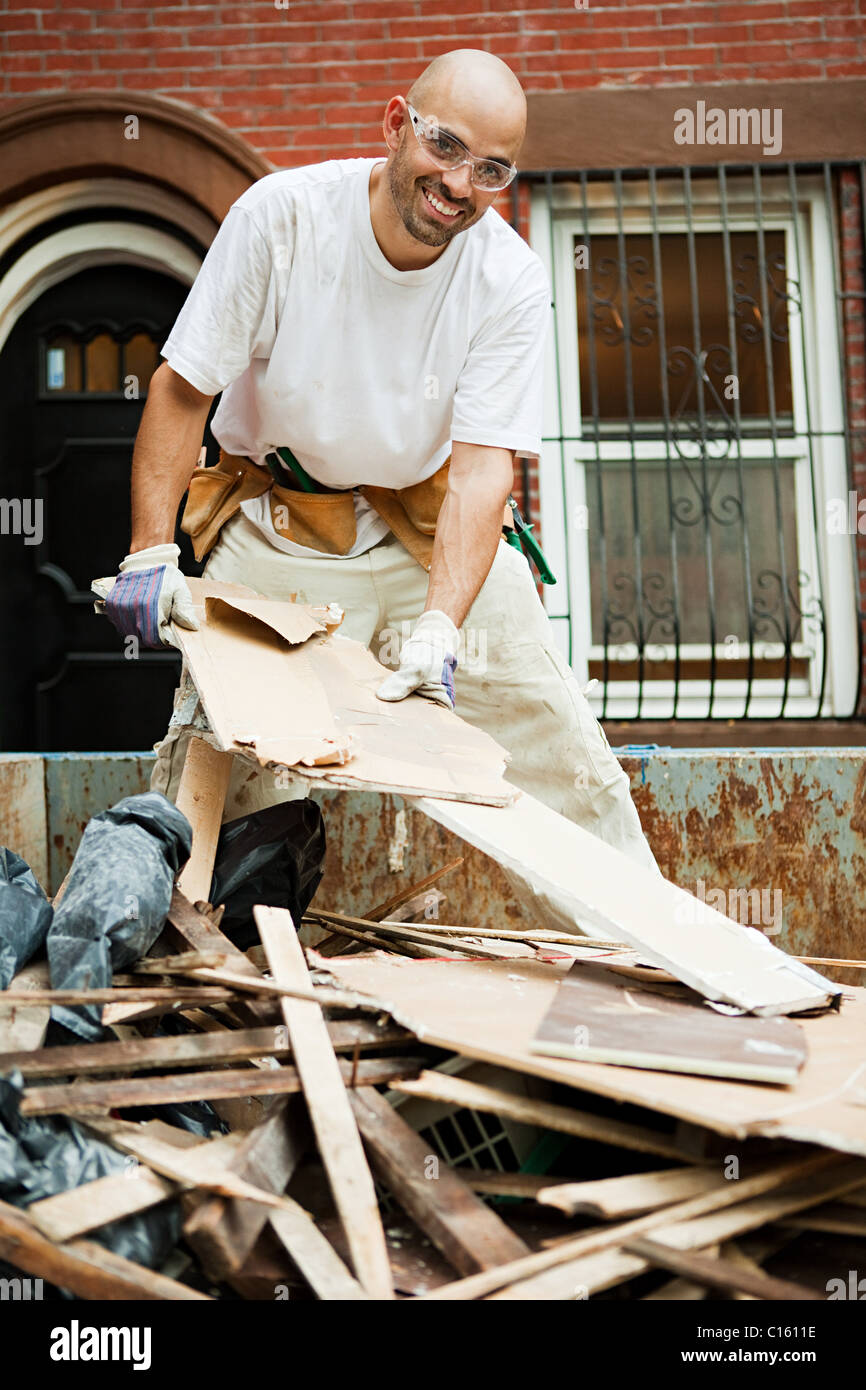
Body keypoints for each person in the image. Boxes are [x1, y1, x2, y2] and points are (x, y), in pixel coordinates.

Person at [104, 48, 659, 874]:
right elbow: (185, 392)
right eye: (445, 145)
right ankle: (190, 935)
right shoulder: (282, 220)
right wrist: (152, 551)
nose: (462, 184)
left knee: (564, 752)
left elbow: (479, 471)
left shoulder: (508, 280)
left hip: (424, 525)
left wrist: (440, 625)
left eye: (493, 169)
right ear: (396, 124)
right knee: (222, 766)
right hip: (279, 527)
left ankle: (645, 948)